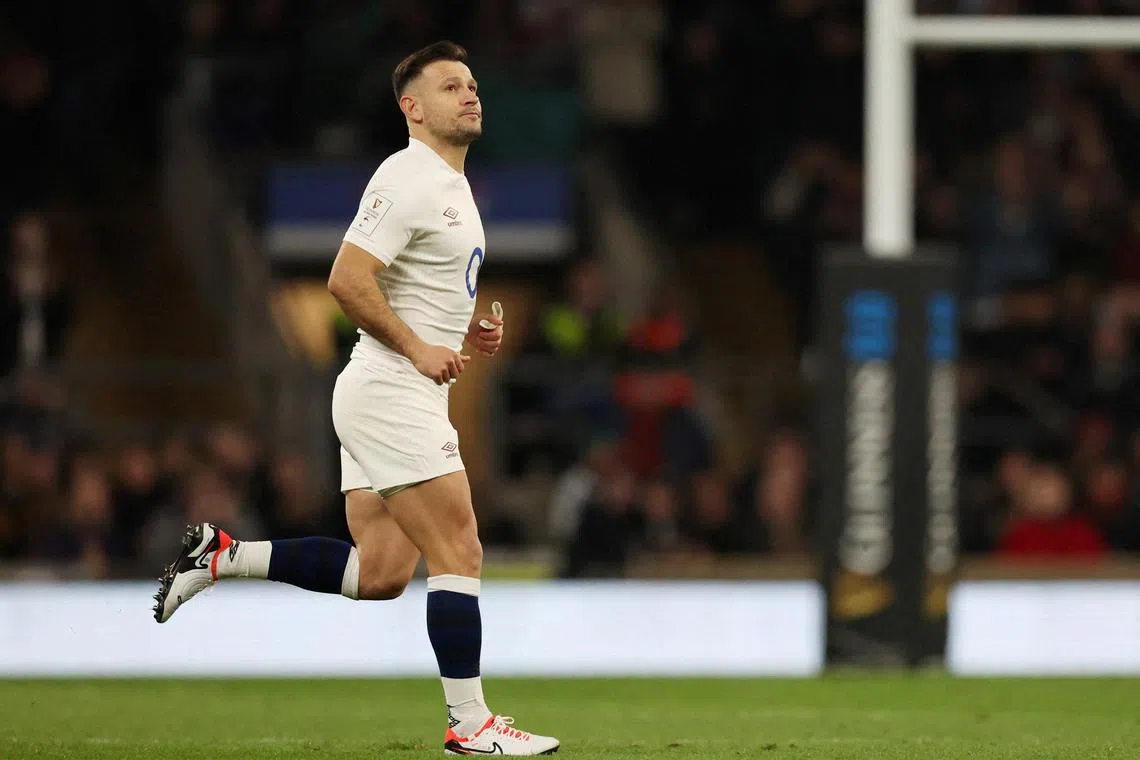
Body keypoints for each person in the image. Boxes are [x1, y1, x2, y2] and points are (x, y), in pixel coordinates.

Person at [152, 41, 559, 756]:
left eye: (471, 84)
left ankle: (220, 557)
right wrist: (416, 347)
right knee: (460, 546)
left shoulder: (450, 184)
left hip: (391, 391)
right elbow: (346, 279)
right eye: (450, 87)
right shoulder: (407, 176)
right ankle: (470, 724)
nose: (470, 94)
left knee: (379, 575)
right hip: (390, 390)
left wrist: (465, 329)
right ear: (413, 108)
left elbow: (410, 284)